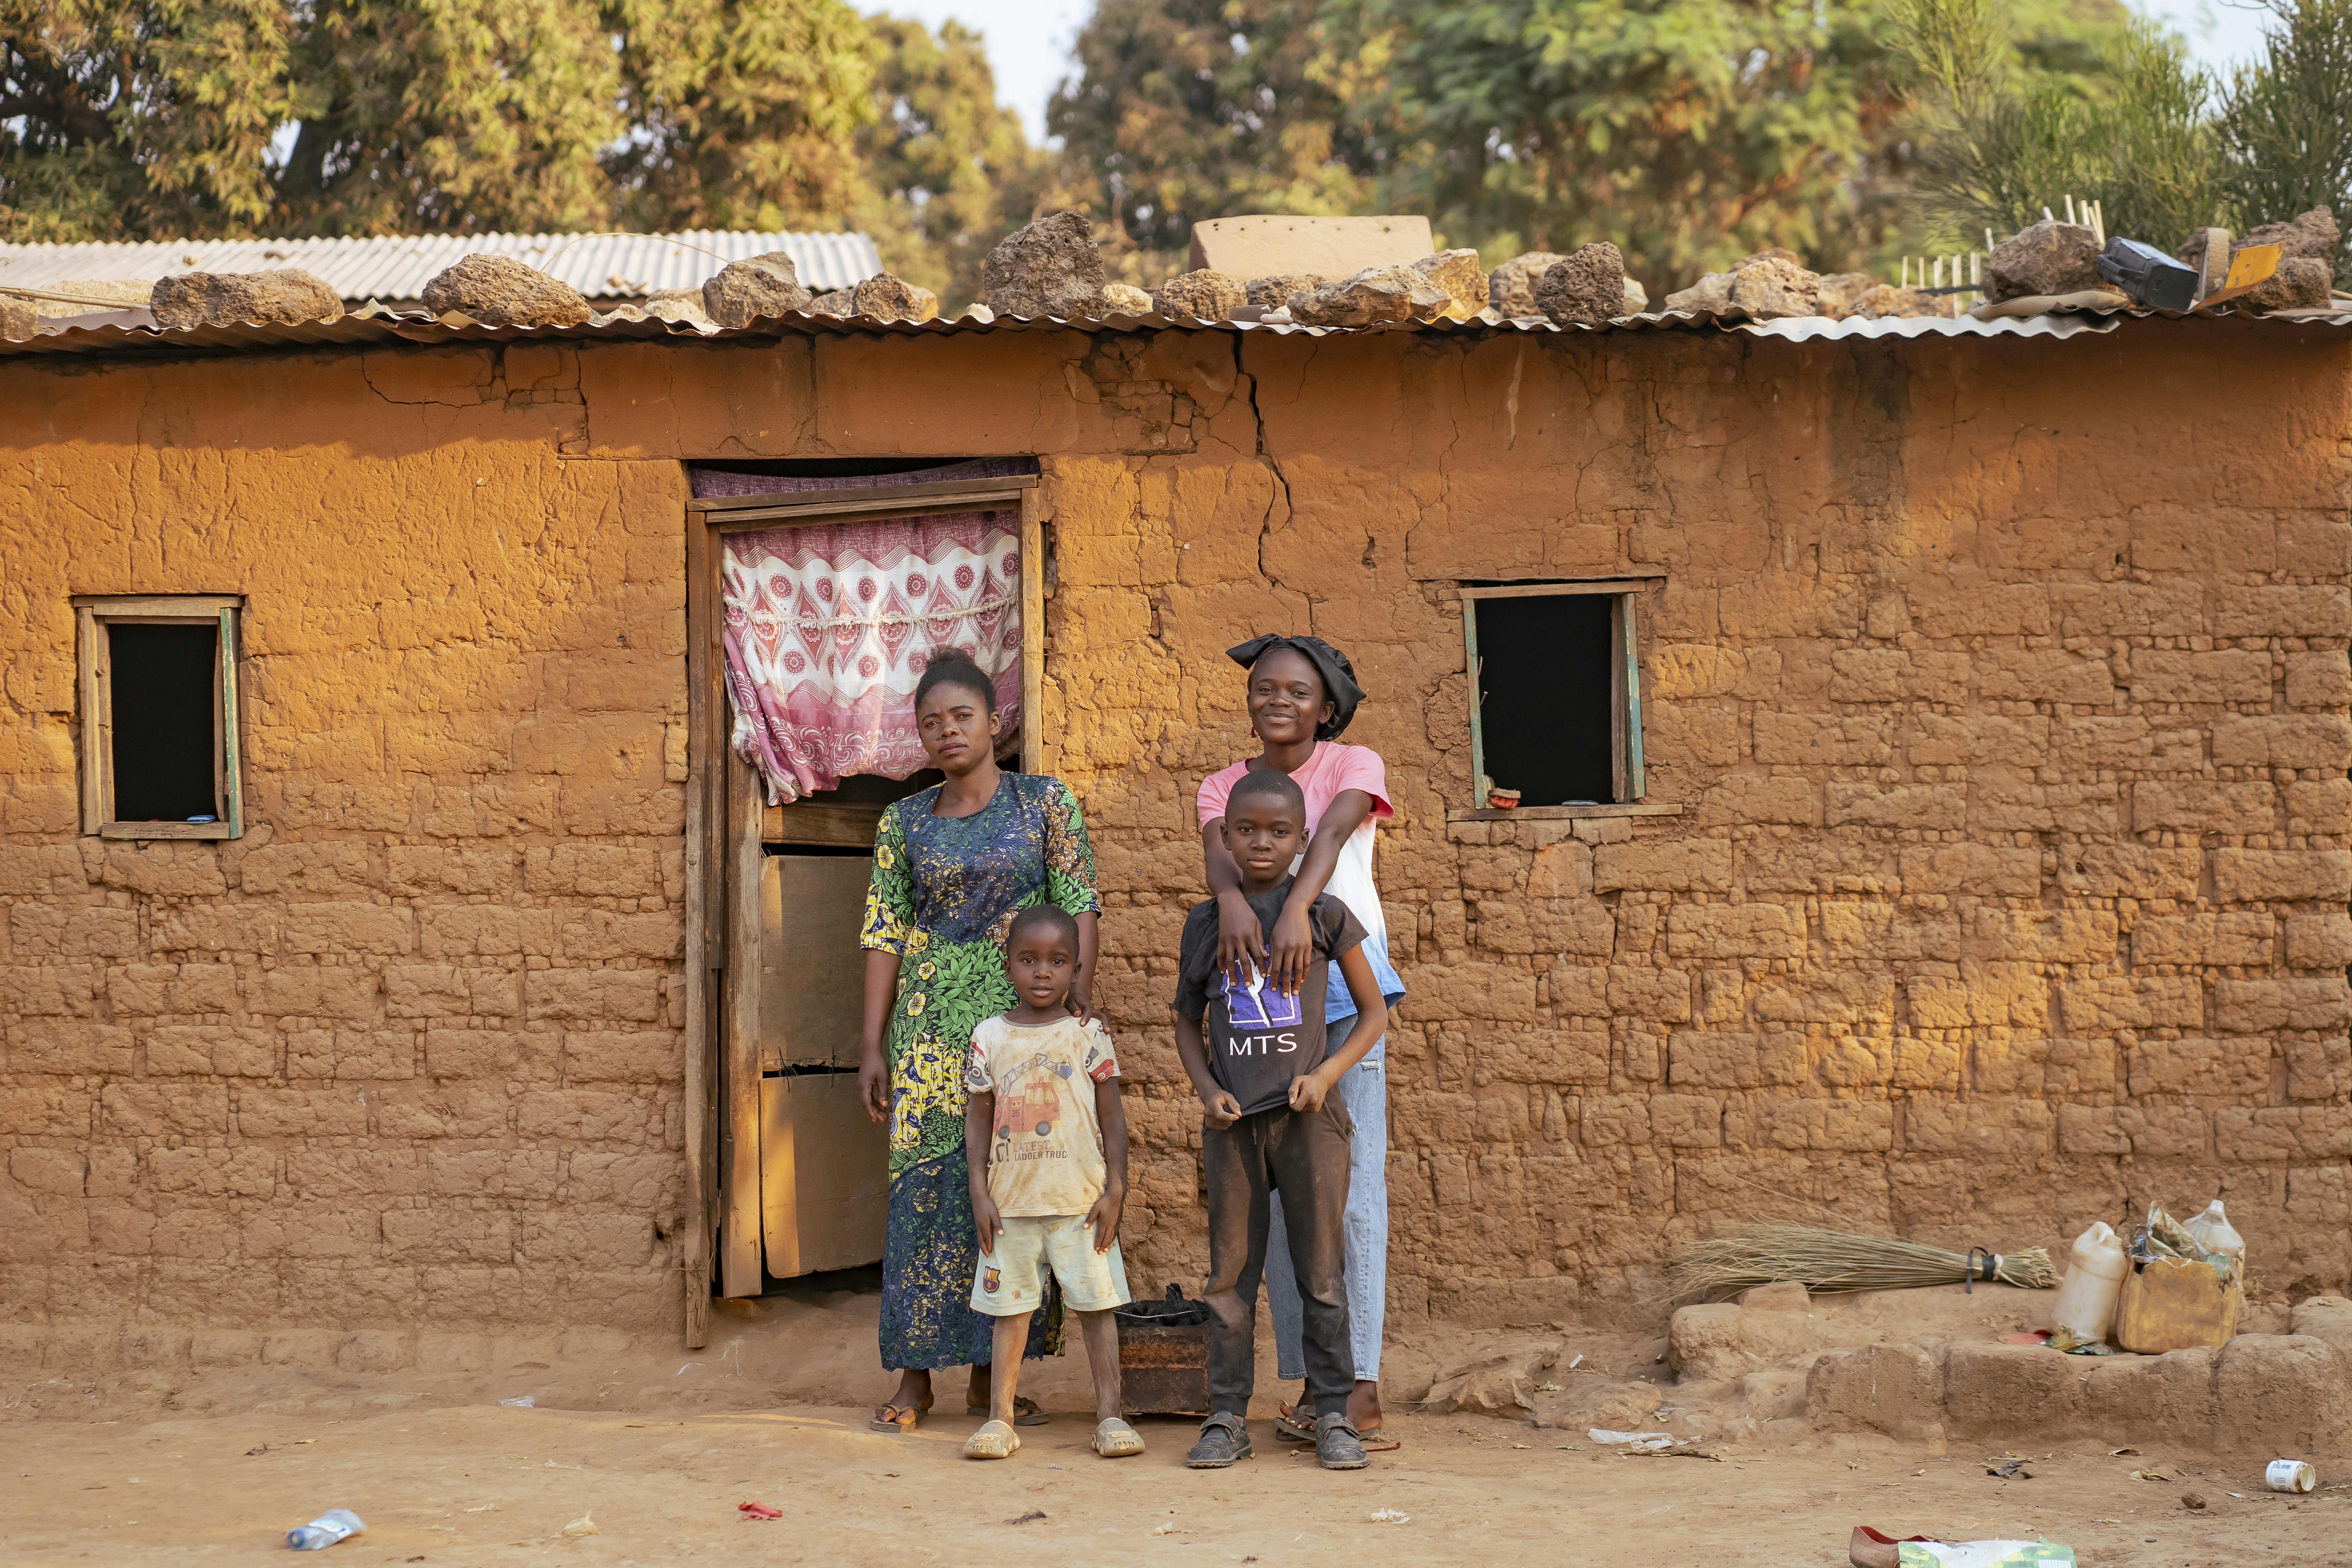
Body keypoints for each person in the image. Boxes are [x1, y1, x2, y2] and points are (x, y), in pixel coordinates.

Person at [858, 651, 1104, 1433]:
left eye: (960, 716)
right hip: (929, 1030)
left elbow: (1079, 901)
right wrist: (873, 1044)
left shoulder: (1045, 802)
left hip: (1022, 1029)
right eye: (930, 722)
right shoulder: (903, 822)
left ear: (995, 720)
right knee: (923, 1193)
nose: (946, 732)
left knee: (1012, 1192)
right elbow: (883, 932)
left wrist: (1077, 1003)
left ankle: (987, 1382)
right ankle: (915, 1377)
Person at [1196, 633, 1406, 1448]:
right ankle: (1315, 1386)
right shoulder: (1225, 785)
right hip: (1265, 1012)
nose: (1277, 699)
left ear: (1327, 705)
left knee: (1353, 1188)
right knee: (1285, 1192)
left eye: (1296, 690)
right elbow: (1220, 861)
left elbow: (1327, 839)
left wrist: (1291, 907)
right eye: (1263, 687)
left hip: (1348, 999)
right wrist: (1236, 902)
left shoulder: (1357, 763)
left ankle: (1359, 1385)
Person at [1173, 766, 1390, 1470]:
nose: (1260, 842)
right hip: (1234, 1127)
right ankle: (1228, 1415)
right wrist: (1207, 1090)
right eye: (1245, 830)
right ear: (1224, 838)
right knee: (1228, 1280)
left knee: (1320, 1271)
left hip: (1307, 1121)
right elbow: (1183, 1023)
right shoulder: (1206, 923)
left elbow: (1373, 1012)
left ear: (1302, 840)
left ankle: (1333, 1414)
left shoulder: (1325, 916)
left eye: (1277, 832)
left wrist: (1326, 1075)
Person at [960, 905, 1144, 1461]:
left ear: (1076, 967)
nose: (1043, 972)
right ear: (1008, 964)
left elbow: (1113, 1119)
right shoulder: (989, 1036)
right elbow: (977, 1118)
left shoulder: (1088, 1034)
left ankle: (1110, 1415)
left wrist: (1117, 1187)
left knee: (1097, 1307)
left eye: (1058, 961)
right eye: (1029, 960)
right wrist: (978, 1188)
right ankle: (1000, 1419)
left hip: (1082, 1203)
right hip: (1011, 1205)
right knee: (1010, 1312)